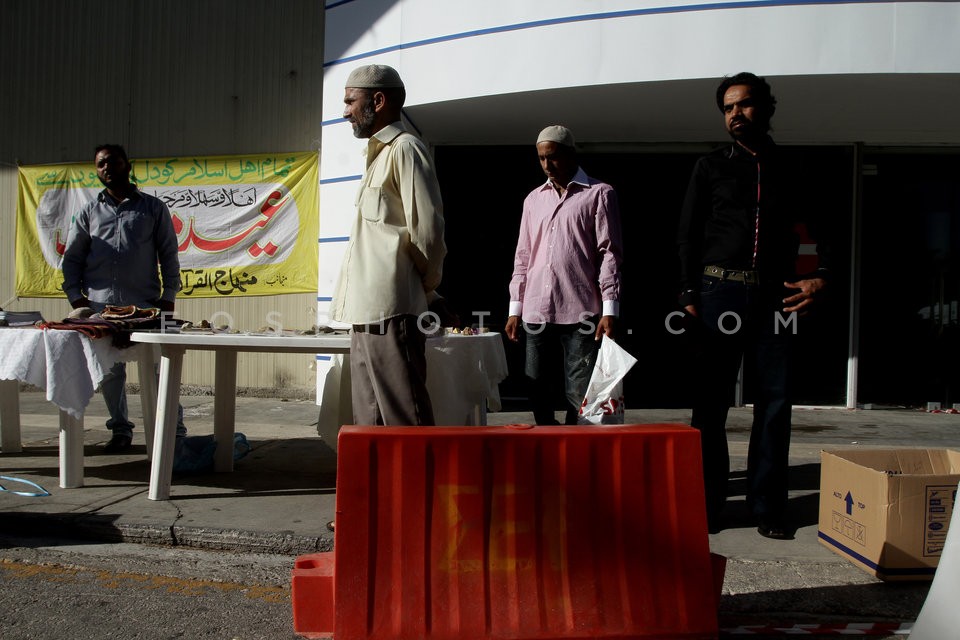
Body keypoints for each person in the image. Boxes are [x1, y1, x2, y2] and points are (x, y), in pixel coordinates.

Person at [676, 72, 833, 539]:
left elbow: (829, 227)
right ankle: (707, 504)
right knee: (709, 405)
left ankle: (768, 507)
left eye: (743, 105)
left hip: (775, 297)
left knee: (775, 403)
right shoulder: (710, 167)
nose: (734, 115)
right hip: (717, 293)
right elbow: (686, 236)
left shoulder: (794, 167)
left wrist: (822, 279)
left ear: (766, 108)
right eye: (727, 108)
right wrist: (687, 295)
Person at [330, 64, 447, 426]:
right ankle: (378, 485)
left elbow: (427, 233)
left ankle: (418, 484)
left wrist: (423, 289)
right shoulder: (378, 155)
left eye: (351, 100)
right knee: (369, 419)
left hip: (392, 309)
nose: (345, 111)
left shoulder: (405, 149)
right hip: (365, 311)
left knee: (403, 417)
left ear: (378, 100)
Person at [61, 144, 186, 453]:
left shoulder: (153, 208)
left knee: (159, 370)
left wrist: (168, 297)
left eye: (113, 162)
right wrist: (78, 300)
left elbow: (169, 255)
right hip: (102, 309)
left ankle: (174, 430)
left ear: (127, 165)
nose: (107, 168)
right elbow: (73, 259)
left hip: (145, 307)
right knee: (111, 372)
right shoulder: (90, 211)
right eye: (101, 164)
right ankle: (120, 430)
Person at [505, 125, 624, 425]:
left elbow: (609, 253)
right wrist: (514, 308)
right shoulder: (533, 200)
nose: (547, 165)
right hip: (535, 308)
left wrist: (610, 308)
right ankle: (548, 452)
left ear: (571, 154)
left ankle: (578, 450)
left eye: (553, 157)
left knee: (580, 392)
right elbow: (523, 255)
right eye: (541, 159)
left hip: (580, 308)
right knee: (536, 388)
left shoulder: (599, 193)